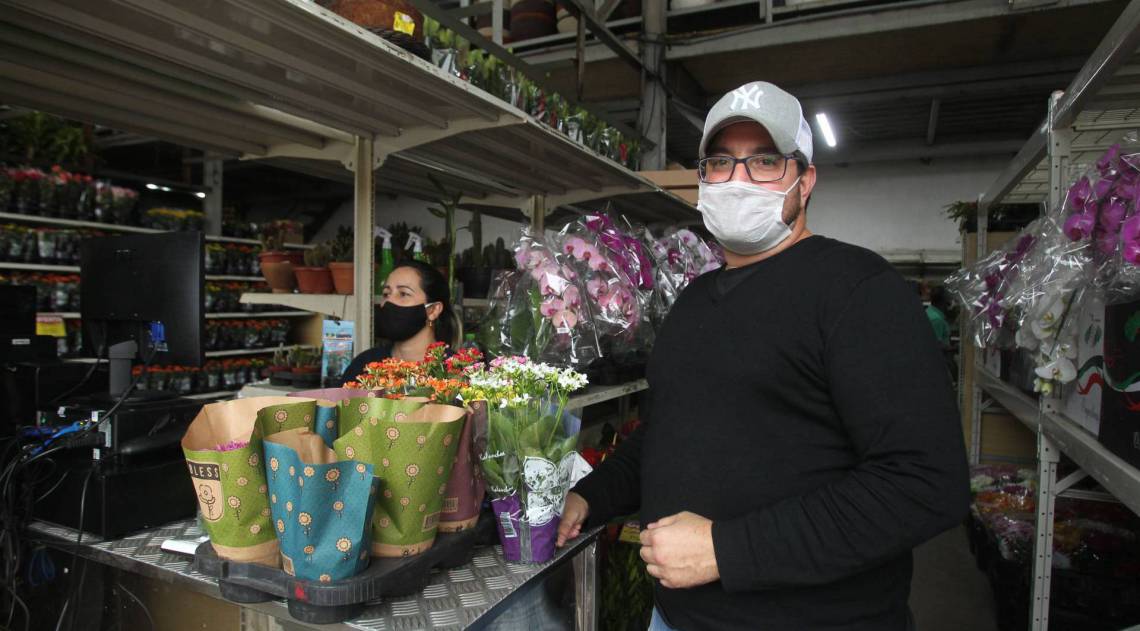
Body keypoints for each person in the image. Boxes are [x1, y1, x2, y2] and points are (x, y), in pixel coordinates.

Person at [557, 81, 970, 630]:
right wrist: (592, 495)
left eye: (764, 162)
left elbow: (925, 484)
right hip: (676, 618)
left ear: (806, 180)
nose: (738, 180)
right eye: (721, 163)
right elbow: (666, 435)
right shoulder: (694, 301)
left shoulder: (857, 289)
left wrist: (728, 550)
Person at [338, 260, 458, 385]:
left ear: (433, 310)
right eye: (386, 294)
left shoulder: (459, 371)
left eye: (403, 294)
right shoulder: (365, 365)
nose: (389, 301)